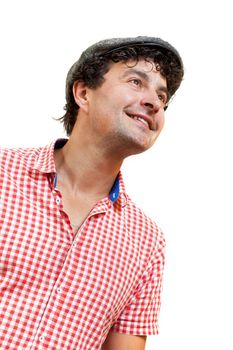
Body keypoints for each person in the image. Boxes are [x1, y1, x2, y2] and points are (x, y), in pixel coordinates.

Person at [0, 36, 184, 350]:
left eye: (161, 96)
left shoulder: (148, 243)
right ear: (84, 93)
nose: (154, 101)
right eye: (136, 81)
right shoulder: (4, 174)